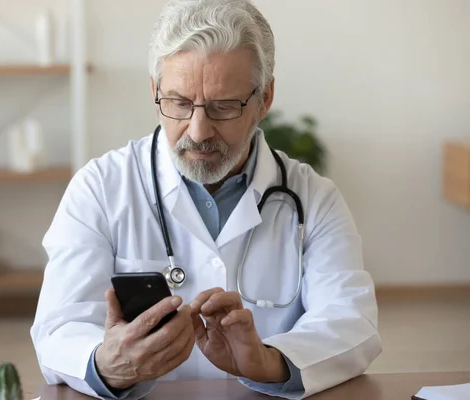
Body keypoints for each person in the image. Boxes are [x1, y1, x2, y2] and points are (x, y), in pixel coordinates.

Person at [30, 0, 383, 399]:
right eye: (179, 103)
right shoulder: (99, 188)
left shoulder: (313, 198)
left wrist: (270, 361)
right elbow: (58, 328)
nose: (198, 131)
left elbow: (351, 324)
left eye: (223, 107)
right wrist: (104, 363)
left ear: (264, 99)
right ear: (155, 91)